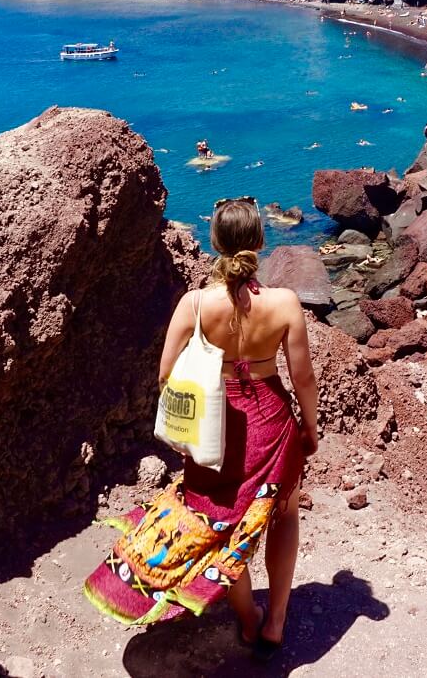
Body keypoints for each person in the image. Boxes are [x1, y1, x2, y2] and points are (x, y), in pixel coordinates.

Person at [84, 199, 318, 661]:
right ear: (259, 241)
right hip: (273, 425)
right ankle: (276, 621)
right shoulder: (285, 303)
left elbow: (165, 374)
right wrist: (310, 428)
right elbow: (303, 378)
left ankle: (247, 618)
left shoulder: (195, 303)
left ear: (215, 242)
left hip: (214, 431)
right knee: (284, 515)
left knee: (222, 527)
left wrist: (194, 416)